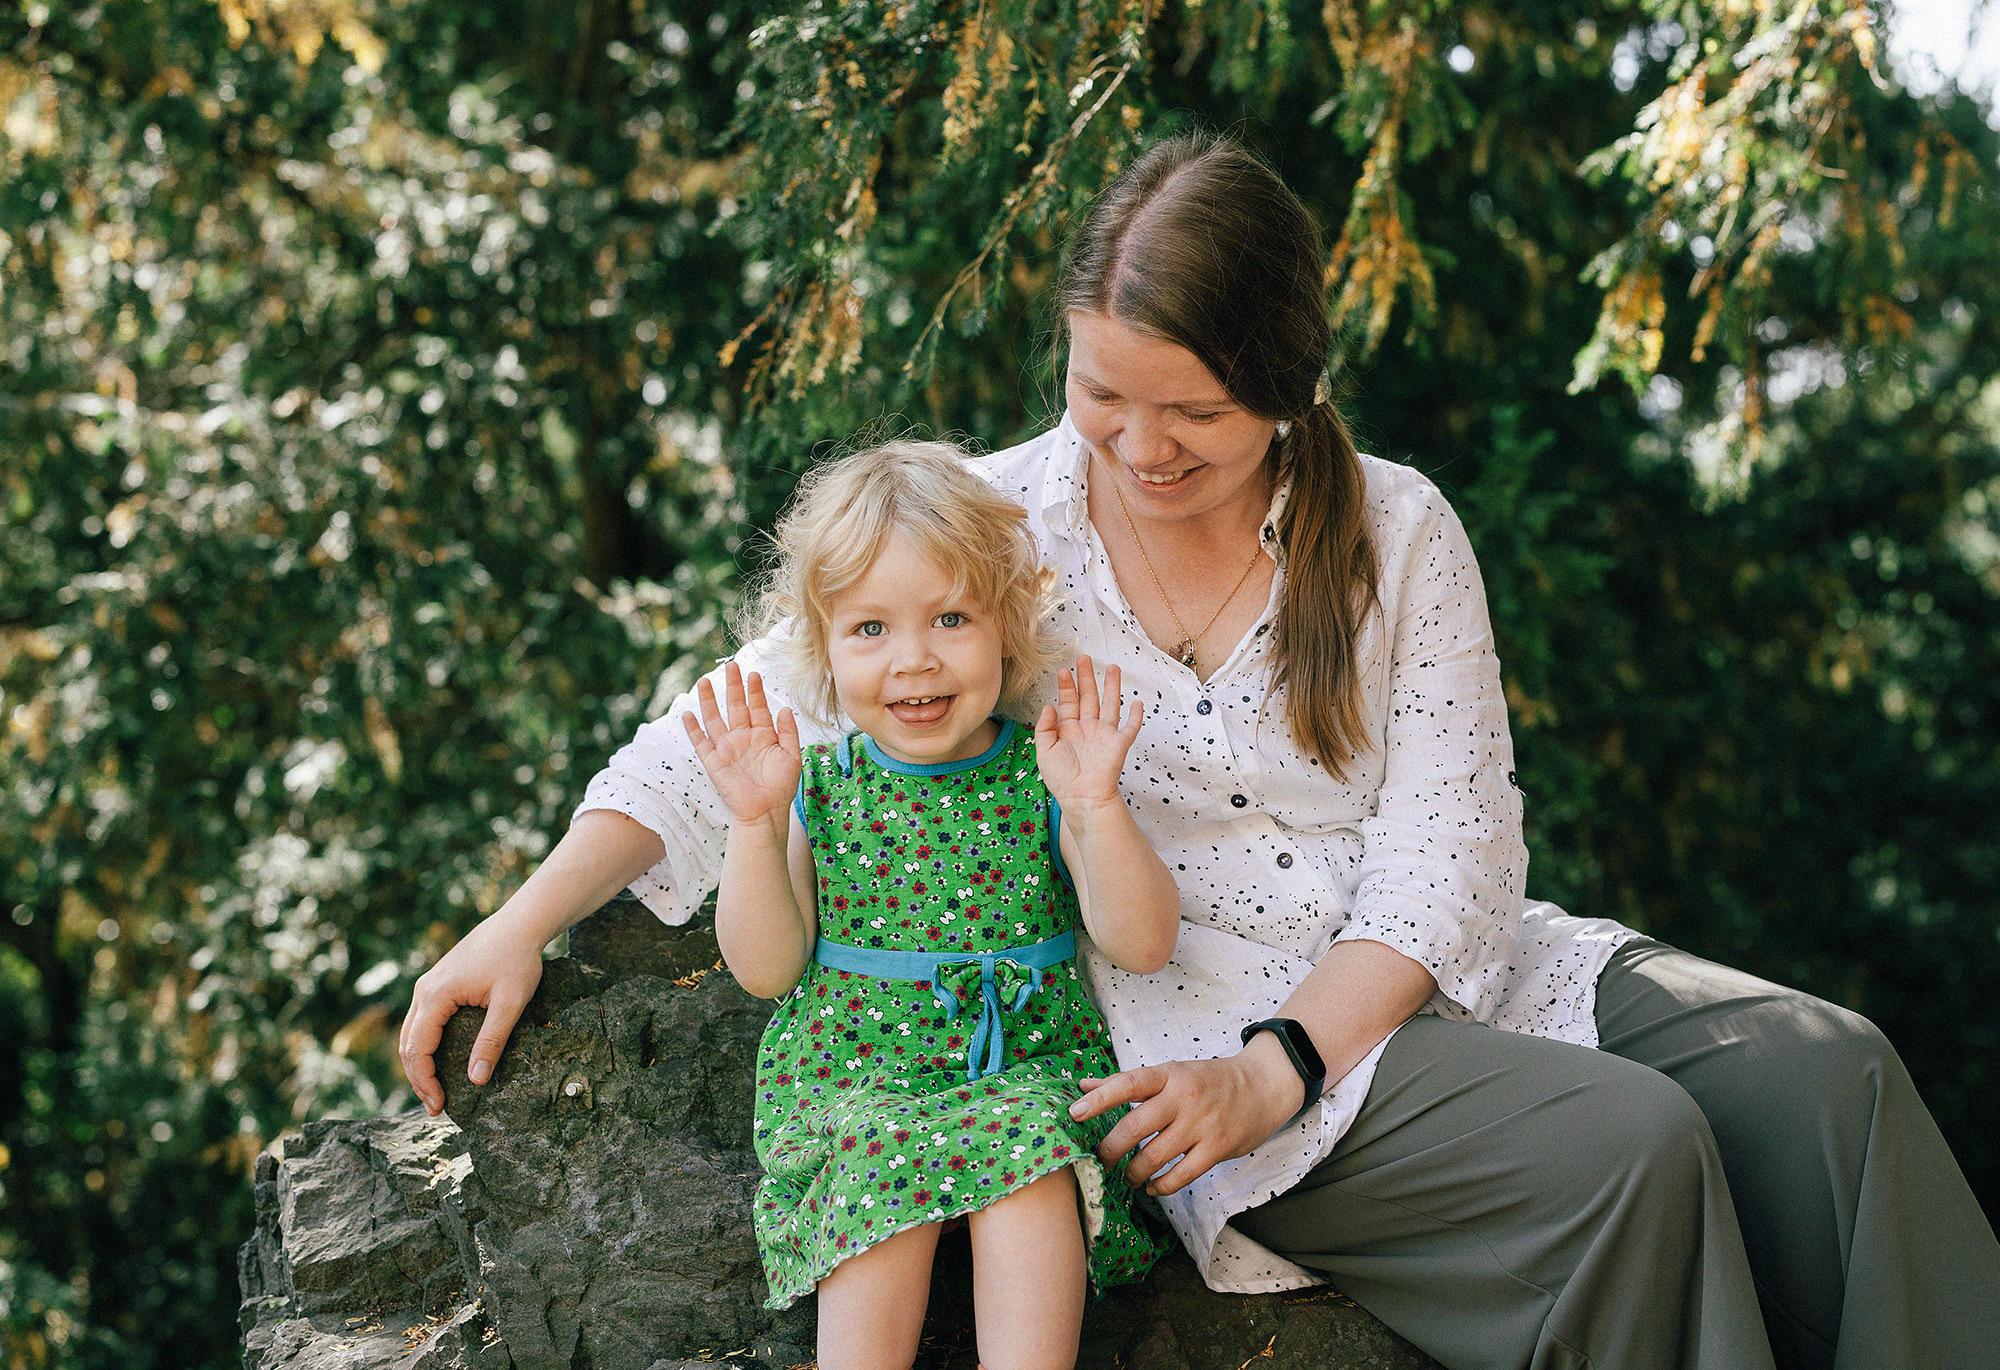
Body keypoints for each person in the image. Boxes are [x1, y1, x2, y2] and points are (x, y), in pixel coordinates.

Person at [400, 132, 2000, 1369]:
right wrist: (516, 921)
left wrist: (1290, 1057)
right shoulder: (993, 531)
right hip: (1193, 1033)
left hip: (1390, 991)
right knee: (1631, 1150)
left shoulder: (1394, 531)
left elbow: (1454, 858)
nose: (1142, 450)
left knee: (1831, 1070)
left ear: (1290, 391)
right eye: (1104, 398)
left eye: (1196, 414)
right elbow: (719, 732)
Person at [676, 439, 1175, 1369]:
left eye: (950, 618)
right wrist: (752, 823)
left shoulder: (1044, 768)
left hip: (1020, 1073)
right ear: (822, 648)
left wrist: (1097, 806)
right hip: (858, 1082)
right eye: (870, 629)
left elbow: (1143, 943)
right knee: (877, 1155)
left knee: (1030, 1154)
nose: (914, 662)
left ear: (1007, 630)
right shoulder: (822, 787)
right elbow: (767, 967)